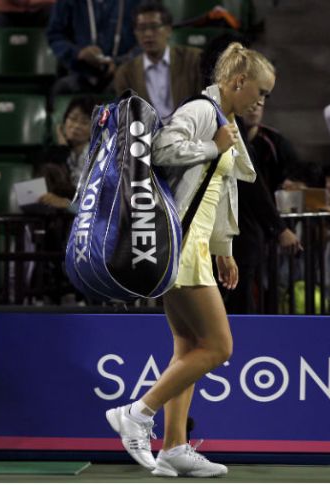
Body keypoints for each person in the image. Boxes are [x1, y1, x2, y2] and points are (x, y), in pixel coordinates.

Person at [105, 42, 274, 477]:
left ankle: (174, 447)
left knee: (188, 348)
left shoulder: (226, 120)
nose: (261, 101)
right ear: (239, 81)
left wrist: (224, 248)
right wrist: (212, 147)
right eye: (260, 91)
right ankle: (137, 413)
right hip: (180, 245)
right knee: (218, 347)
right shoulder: (201, 111)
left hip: (197, 245)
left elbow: (218, 191)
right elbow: (161, 150)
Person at [113, 1, 202, 122]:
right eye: (142, 28)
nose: (148, 34)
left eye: (154, 27)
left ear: (169, 30)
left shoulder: (193, 60)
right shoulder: (126, 73)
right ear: (135, 33)